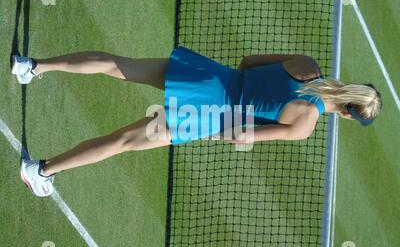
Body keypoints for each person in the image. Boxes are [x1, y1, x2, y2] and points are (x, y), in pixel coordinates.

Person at [11, 46, 382, 197]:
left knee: (118, 64)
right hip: (208, 117)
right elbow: (240, 136)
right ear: (349, 115)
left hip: (210, 76)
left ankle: (31, 66)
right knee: (123, 141)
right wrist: (208, 127)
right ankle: (40, 171)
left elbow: (250, 62)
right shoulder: (305, 125)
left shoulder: (306, 65)